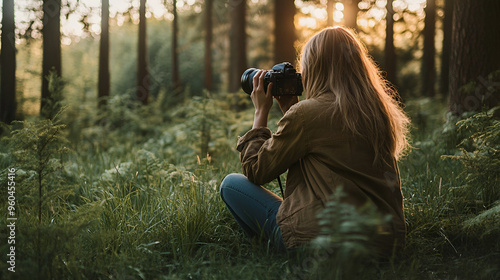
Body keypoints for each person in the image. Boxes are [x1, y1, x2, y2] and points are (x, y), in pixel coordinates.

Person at [219, 26, 410, 257]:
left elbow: (256, 170)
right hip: (387, 245)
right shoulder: (377, 112)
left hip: (327, 245)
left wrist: (261, 113)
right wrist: (291, 109)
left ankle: (275, 254)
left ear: (315, 69)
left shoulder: (308, 114)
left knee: (231, 184)